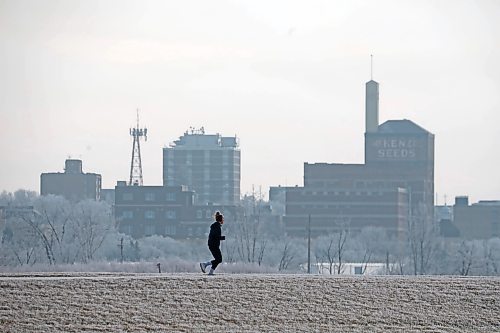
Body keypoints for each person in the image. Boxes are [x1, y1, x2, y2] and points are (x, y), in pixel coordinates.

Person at [200, 211, 225, 275]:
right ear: (220, 219)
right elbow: (215, 236)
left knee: (218, 259)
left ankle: (210, 271)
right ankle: (205, 264)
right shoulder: (217, 226)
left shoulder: (216, 225)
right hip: (213, 245)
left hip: (212, 245)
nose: (223, 220)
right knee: (219, 259)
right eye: (223, 219)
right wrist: (222, 237)